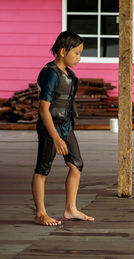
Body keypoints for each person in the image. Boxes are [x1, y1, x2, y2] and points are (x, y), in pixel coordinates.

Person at [32, 31, 94, 226]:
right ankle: (41, 213)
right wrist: (56, 138)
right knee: (43, 170)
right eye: (76, 53)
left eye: (80, 53)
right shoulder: (50, 73)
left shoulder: (70, 75)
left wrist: (65, 132)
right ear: (61, 51)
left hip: (65, 127)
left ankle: (70, 208)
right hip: (49, 128)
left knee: (77, 165)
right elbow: (43, 110)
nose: (79, 58)